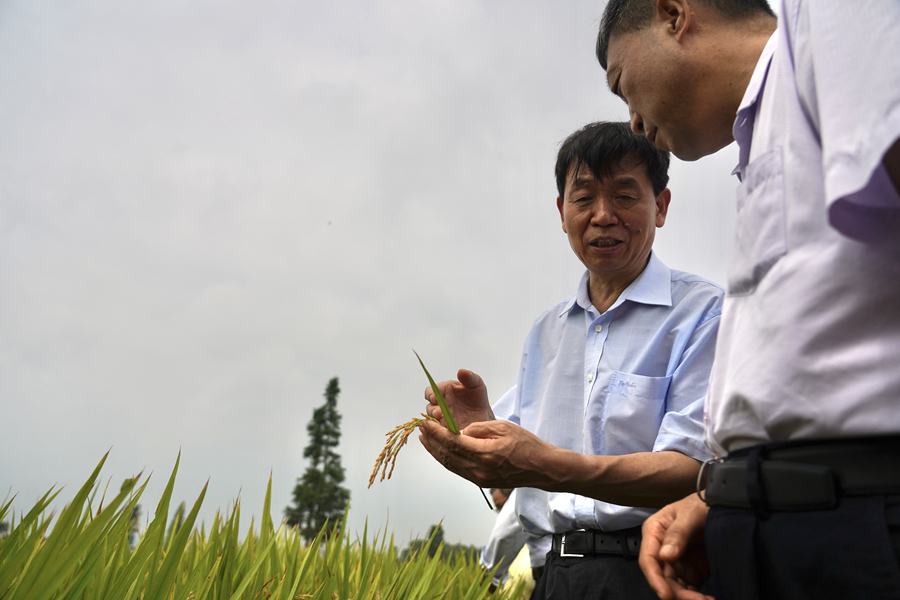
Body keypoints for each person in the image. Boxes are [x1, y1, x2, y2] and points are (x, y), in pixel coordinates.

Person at [596, 1, 900, 599]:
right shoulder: (761, 135)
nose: (632, 121)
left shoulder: (825, 19)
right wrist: (728, 491)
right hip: (783, 519)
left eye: (623, 84)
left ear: (673, 14)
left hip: (857, 516)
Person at [418, 121, 724, 599]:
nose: (602, 216)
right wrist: (477, 430)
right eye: (583, 199)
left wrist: (544, 466)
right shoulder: (548, 331)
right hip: (555, 575)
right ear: (562, 213)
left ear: (661, 206)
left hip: (656, 572)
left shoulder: (704, 313)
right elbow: (512, 471)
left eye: (624, 196)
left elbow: (694, 471)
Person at [480, 488, 551, 595]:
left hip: (551, 573)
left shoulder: (524, 494)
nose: (501, 513)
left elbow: (504, 534)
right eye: (498, 509)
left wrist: (491, 575)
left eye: (502, 506)